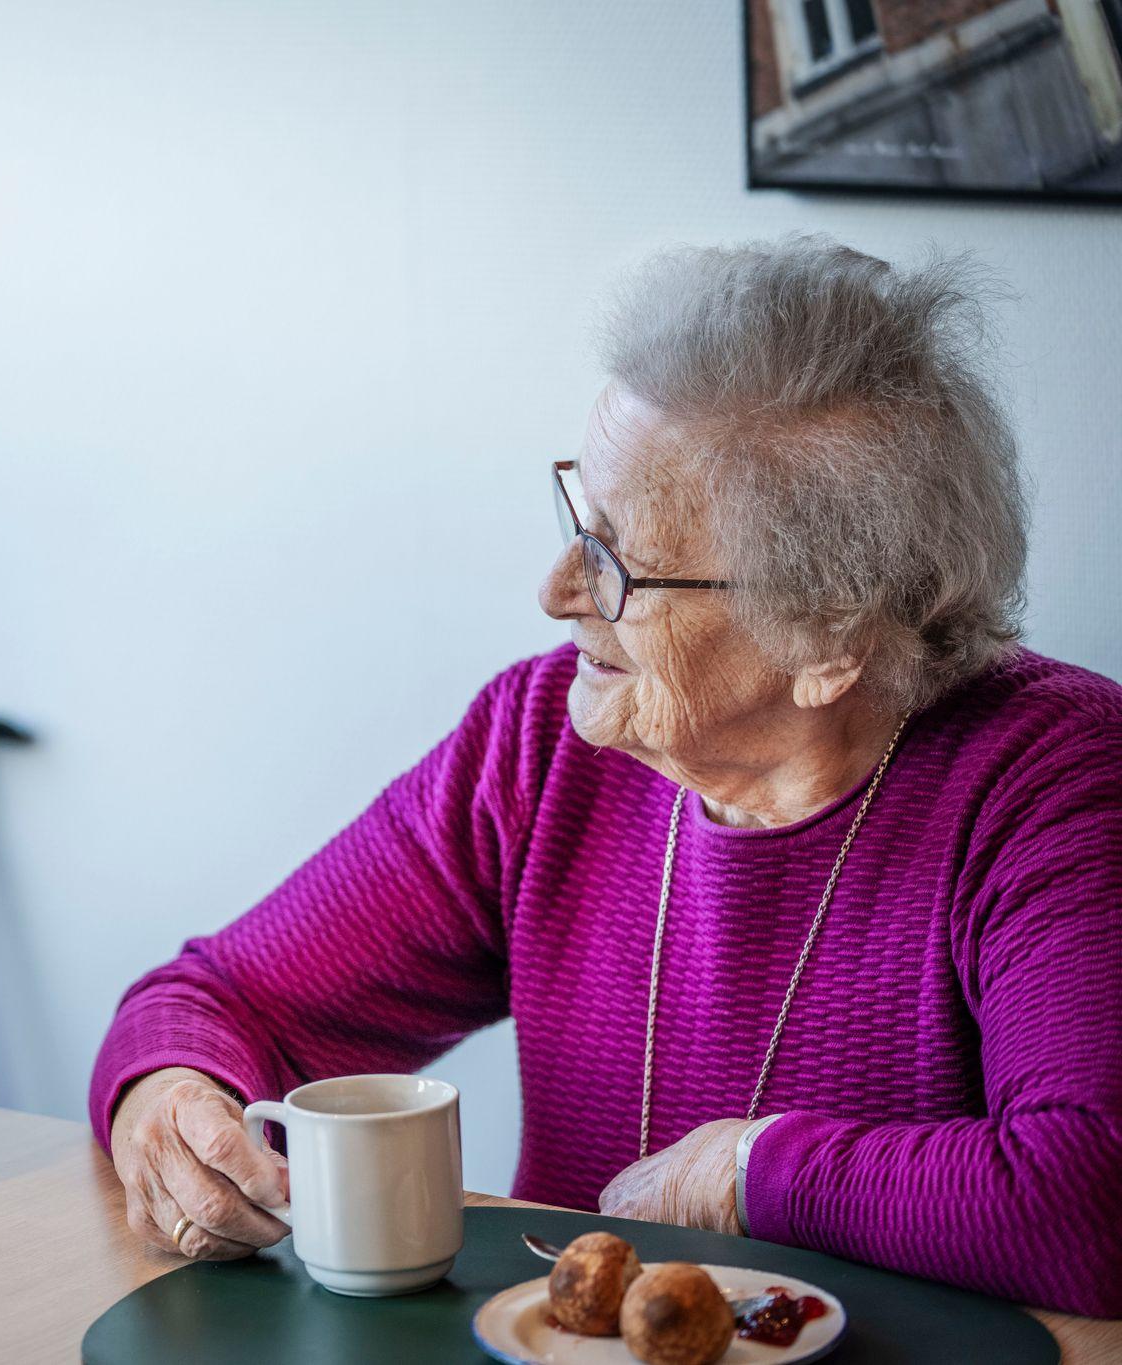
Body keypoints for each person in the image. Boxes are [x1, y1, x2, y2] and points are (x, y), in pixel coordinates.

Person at [91, 238, 1122, 1318]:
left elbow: (1090, 1203)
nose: (553, 591)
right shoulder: (539, 745)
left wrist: (748, 1173)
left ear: (828, 635)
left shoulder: (1056, 782)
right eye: (575, 523)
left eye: (616, 562)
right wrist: (169, 1101)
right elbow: (213, 1000)